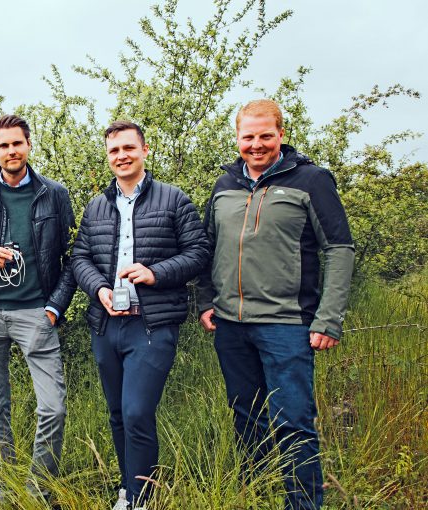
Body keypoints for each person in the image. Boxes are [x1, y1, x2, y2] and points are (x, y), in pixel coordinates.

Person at [196, 99, 354, 510]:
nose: (256, 144)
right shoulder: (224, 184)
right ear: (237, 138)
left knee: (293, 422)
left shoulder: (311, 180)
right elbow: (208, 246)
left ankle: (302, 504)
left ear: (281, 135)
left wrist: (328, 319)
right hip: (230, 324)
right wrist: (206, 301)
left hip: (287, 324)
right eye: (248, 136)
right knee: (246, 420)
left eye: (266, 135)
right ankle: (257, 495)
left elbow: (339, 248)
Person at [71, 121, 210, 507]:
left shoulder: (174, 199)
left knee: (136, 413)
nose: (122, 156)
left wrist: (155, 273)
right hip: (106, 325)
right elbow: (80, 257)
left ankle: (142, 497)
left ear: (145, 150)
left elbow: (199, 254)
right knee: (117, 414)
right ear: (108, 157)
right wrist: (98, 288)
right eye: (114, 151)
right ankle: (128, 489)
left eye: (129, 148)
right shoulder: (97, 206)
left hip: (152, 325)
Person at [0, 114, 77, 501]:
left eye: (17, 143)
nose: (11, 151)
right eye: (3, 145)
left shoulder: (54, 193)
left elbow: (73, 256)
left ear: (28, 145)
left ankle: (39, 491)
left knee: (53, 408)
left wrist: (56, 307)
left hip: (36, 314)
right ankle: (5, 494)